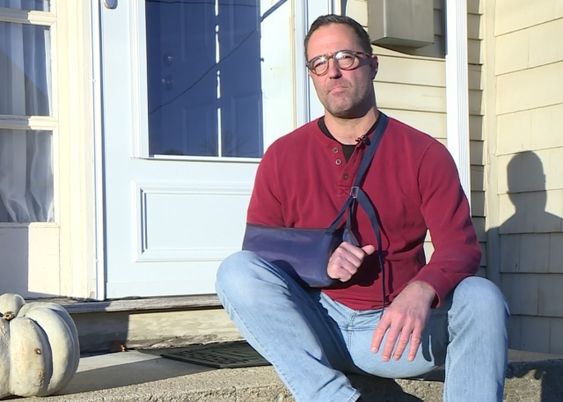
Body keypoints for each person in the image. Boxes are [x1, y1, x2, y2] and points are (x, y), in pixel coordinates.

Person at [216, 14, 508, 402]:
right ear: (312, 75)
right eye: (319, 63)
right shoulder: (283, 155)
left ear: (373, 64)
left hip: (396, 334)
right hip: (315, 325)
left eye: (345, 57)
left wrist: (422, 290)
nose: (333, 72)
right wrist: (320, 260)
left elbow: (461, 247)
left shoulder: (424, 153)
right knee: (235, 271)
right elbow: (259, 247)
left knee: (482, 297)